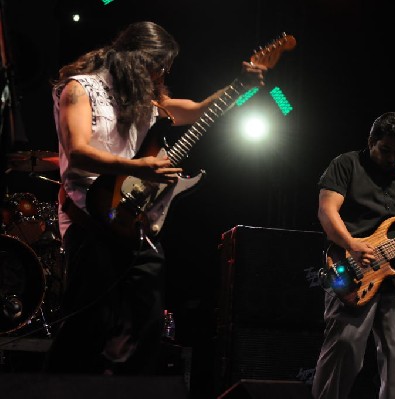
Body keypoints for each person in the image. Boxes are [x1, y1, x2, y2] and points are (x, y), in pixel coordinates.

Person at [43, 21, 267, 375]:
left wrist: (239, 87)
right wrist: (144, 168)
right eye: (158, 65)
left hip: (129, 217)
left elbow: (195, 109)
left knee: (147, 313)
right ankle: (55, 388)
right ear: (137, 59)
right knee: (90, 317)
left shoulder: (144, 102)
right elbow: (79, 151)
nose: (162, 74)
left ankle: (124, 388)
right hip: (87, 209)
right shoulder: (79, 90)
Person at [311, 112, 395, 399]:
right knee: (344, 346)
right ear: (371, 141)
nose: (392, 158)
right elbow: (326, 211)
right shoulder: (346, 164)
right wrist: (352, 243)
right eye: (385, 150)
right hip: (353, 268)